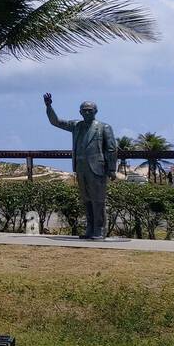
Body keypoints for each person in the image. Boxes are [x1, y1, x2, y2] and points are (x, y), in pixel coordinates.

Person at [44, 93, 117, 240]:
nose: (87, 112)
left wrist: (111, 169)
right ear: (80, 112)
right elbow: (56, 122)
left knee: (98, 200)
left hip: (97, 169)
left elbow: (111, 149)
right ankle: (90, 228)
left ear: (96, 111)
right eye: (84, 110)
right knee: (87, 200)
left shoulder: (104, 127)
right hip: (81, 168)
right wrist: (49, 106)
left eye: (90, 110)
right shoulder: (76, 125)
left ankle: (99, 229)